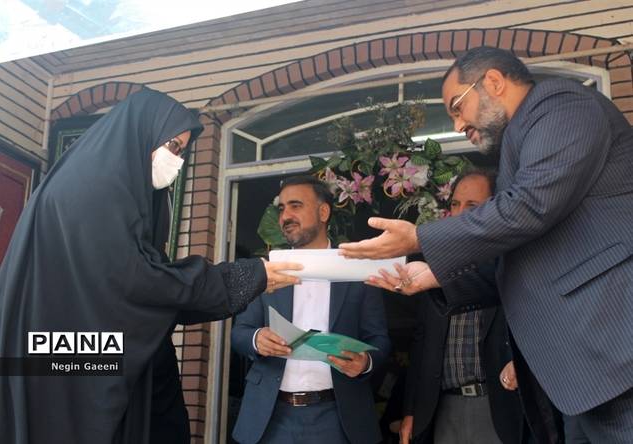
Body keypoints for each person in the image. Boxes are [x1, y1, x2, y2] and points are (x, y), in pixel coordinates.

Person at [0, 88, 301, 444]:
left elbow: (150, 289)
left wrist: (247, 281)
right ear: (141, 135)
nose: (177, 161)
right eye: (173, 146)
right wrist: (243, 278)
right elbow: (135, 280)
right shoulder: (90, 189)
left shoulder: (112, 190)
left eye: (182, 152)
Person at [340, 46, 633, 442]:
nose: (458, 124)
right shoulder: (522, 142)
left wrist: (420, 237)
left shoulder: (560, 105)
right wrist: (434, 274)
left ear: (493, 81)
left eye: (457, 107)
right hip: (586, 374)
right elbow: (519, 260)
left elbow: (530, 206)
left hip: (615, 348)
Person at [231, 175, 391, 444]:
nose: (285, 216)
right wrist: (257, 339)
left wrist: (365, 362)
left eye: (295, 206)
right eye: (282, 209)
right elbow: (239, 333)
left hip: (337, 416)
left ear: (324, 212)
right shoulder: (267, 270)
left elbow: (380, 339)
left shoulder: (357, 272)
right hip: (270, 417)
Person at [398, 170, 526, 444]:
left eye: (472, 206)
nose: (459, 214)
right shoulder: (433, 267)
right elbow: (422, 344)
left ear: (496, 208)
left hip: (499, 405)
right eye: (455, 204)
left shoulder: (510, 263)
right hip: (444, 408)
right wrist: (411, 410)